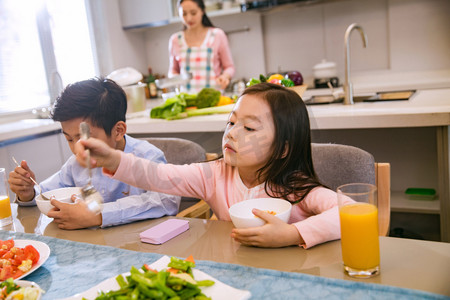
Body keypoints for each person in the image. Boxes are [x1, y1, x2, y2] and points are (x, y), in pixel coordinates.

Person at [74, 83, 354, 248]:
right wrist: (113, 159)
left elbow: (353, 211)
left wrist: (293, 234)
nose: (231, 133)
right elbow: (159, 175)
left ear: (283, 148)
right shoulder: (213, 175)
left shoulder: (297, 188)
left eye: (249, 128)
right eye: (231, 122)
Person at [8, 77, 180, 230]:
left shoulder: (147, 156)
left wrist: (99, 215)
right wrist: (28, 193)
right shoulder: (75, 164)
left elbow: (167, 200)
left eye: (84, 138)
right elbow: (45, 193)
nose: (77, 149)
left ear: (118, 131)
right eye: (69, 139)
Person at [168, 0, 235, 93]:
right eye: (184, 14)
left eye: (193, 13)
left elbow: (229, 67)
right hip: (187, 99)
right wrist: (175, 78)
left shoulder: (217, 35)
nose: (189, 18)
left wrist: (224, 77)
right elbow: (172, 71)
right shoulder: (175, 39)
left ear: (202, 11)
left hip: (214, 97)